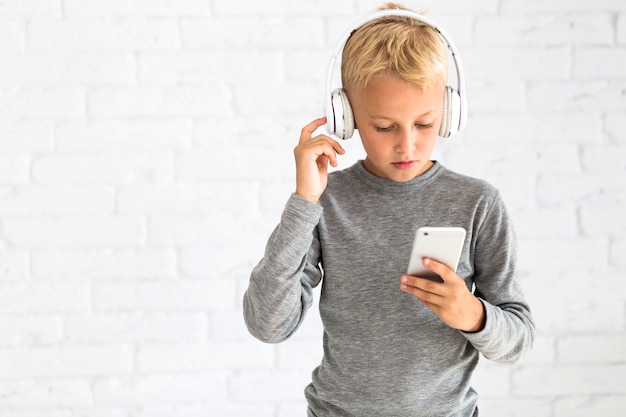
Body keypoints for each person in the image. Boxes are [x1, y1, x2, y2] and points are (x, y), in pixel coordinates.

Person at [243, 3, 535, 416]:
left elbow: (518, 339)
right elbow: (268, 325)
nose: (407, 145)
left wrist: (472, 315)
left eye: (425, 123)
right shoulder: (326, 202)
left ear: (450, 113)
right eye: (384, 127)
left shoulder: (477, 203)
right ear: (346, 117)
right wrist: (304, 201)